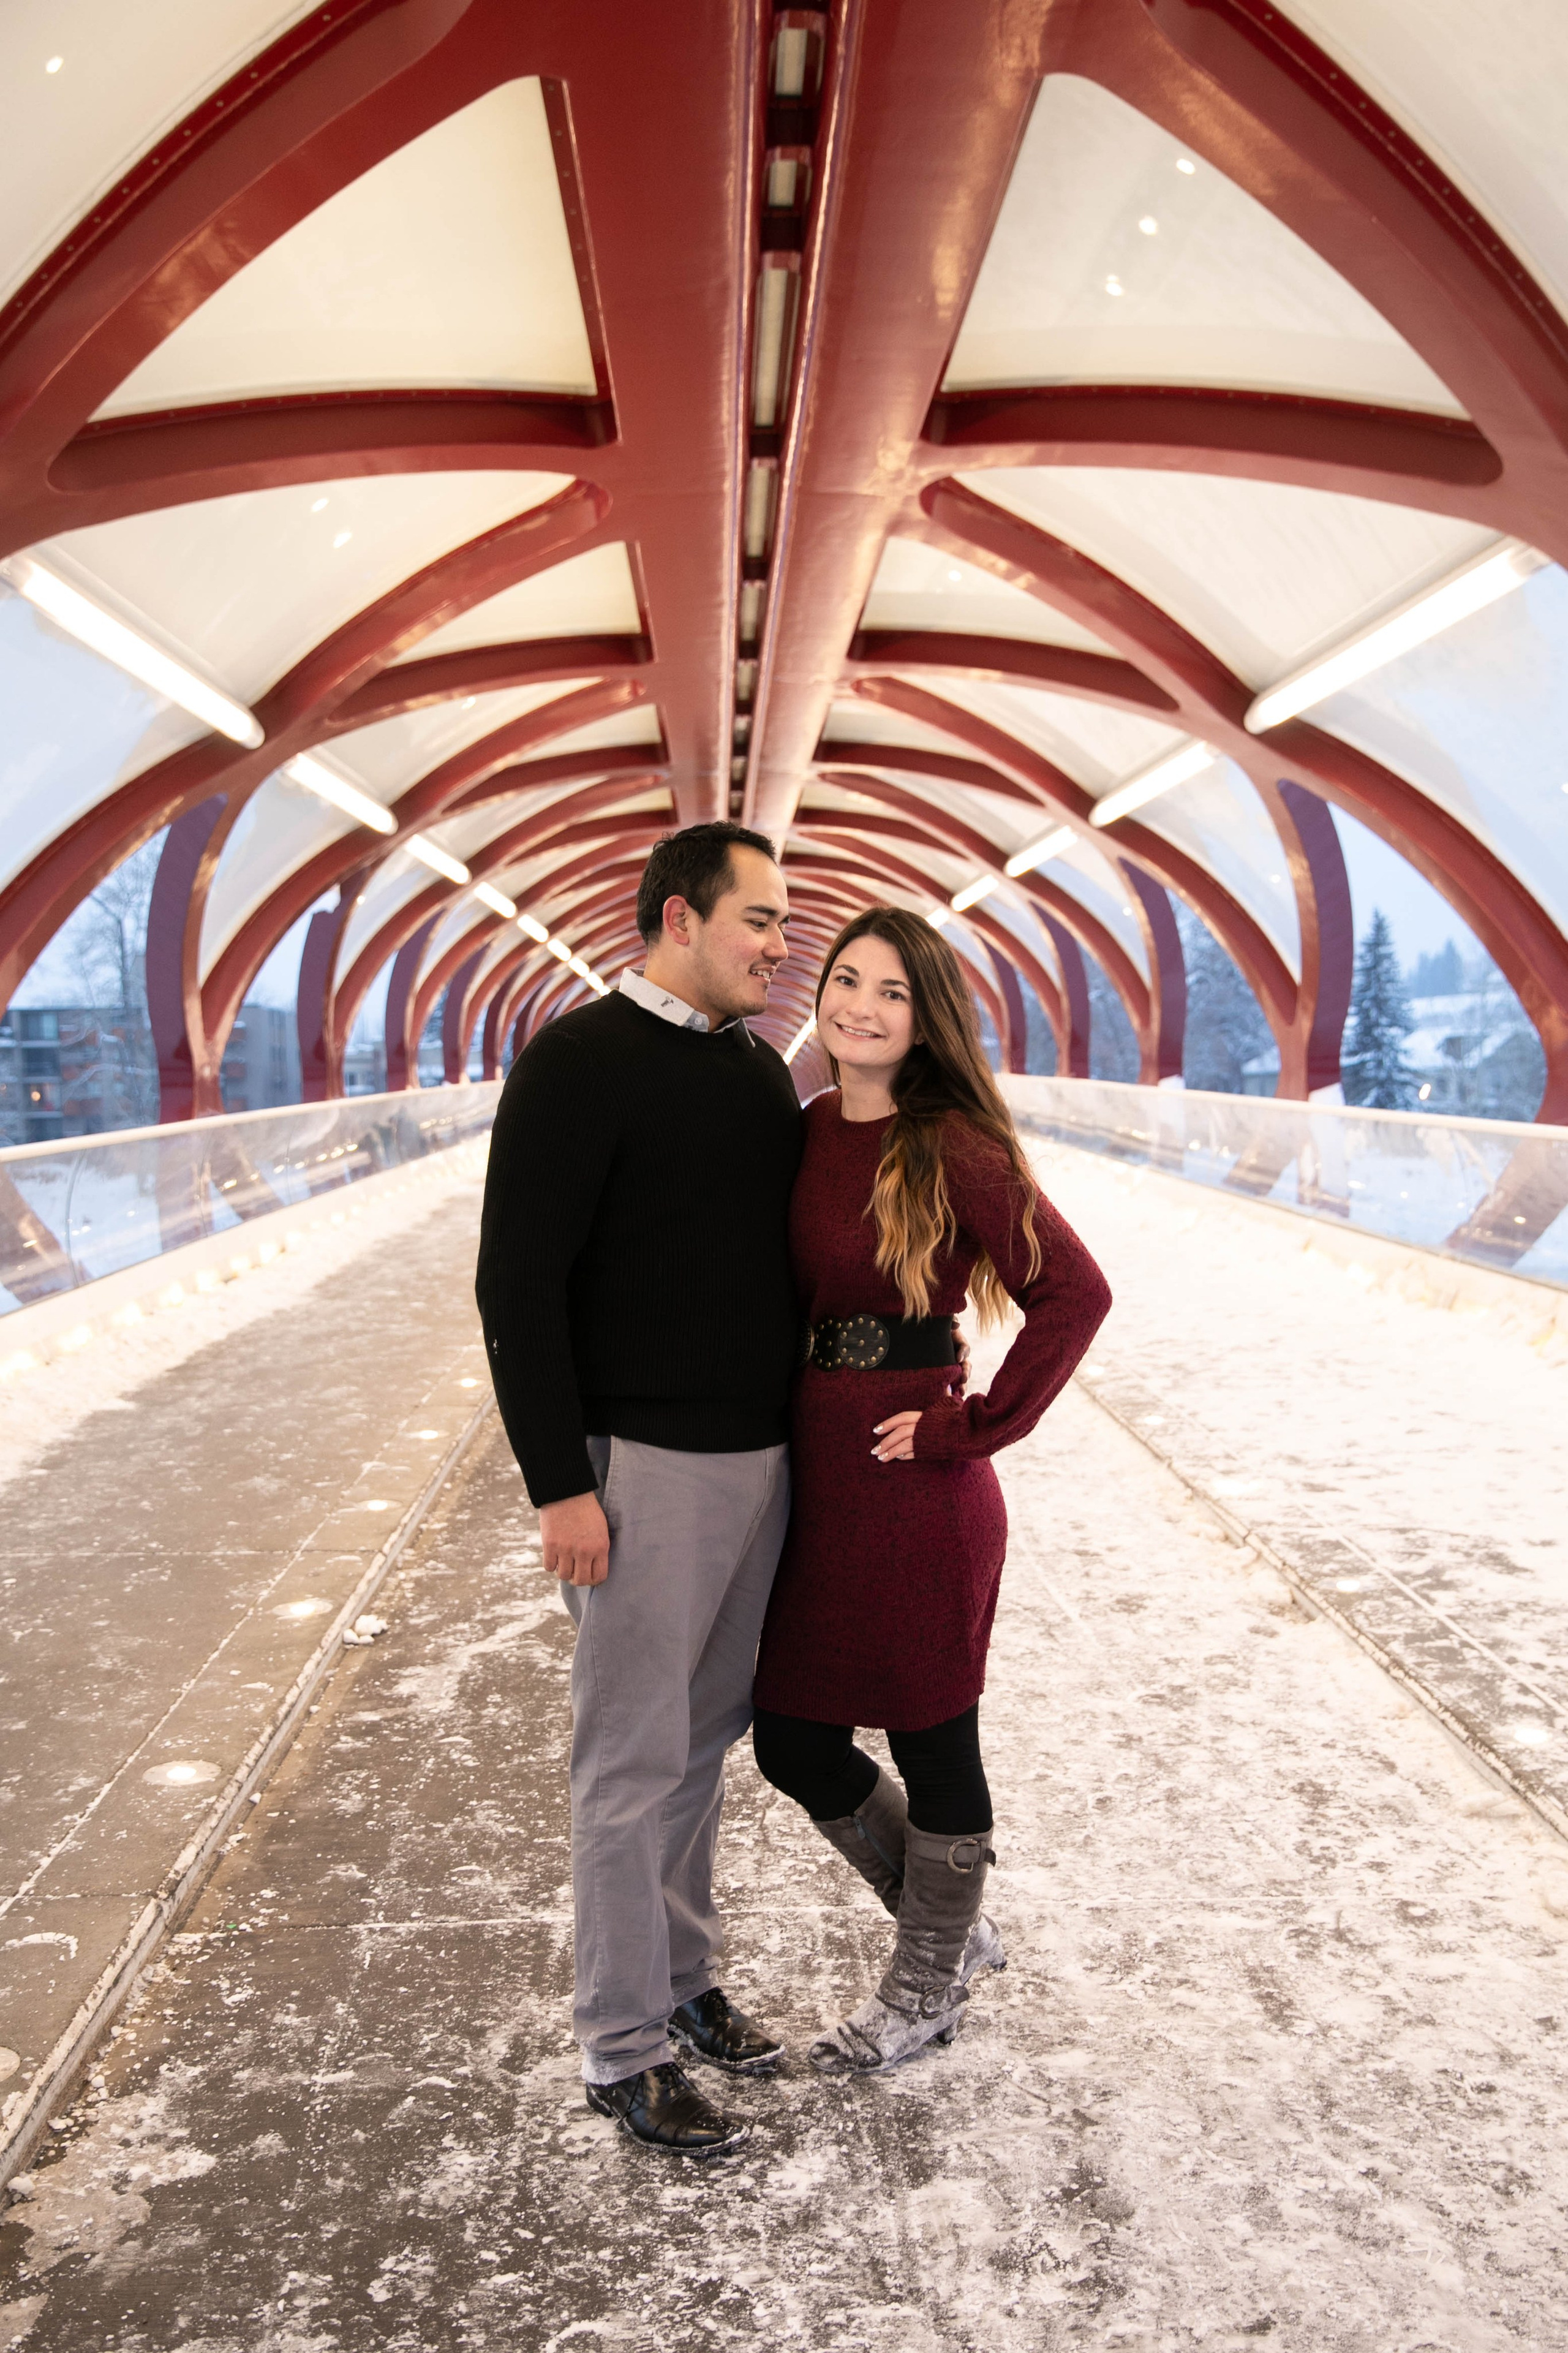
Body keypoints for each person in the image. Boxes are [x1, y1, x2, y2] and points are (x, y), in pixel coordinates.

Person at [475, 821, 802, 2158]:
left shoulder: (758, 1072)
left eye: (781, 920)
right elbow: (516, 1282)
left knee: (704, 1740)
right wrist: (560, 1482)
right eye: (759, 918)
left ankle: (682, 1979)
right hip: (643, 1468)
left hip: (758, 1462)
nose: (780, 943)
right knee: (627, 1758)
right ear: (679, 918)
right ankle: (621, 2044)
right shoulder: (576, 1062)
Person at [751, 905, 1111, 2072]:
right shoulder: (807, 1130)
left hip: (919, 1492)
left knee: (935, 1740)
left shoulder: (950, 1140)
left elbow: (1076, 1293)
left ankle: (925, 1985)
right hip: (819, 1480)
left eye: (893, 991)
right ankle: (947, 1930)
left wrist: (975, 1425)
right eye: (847, 980)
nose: (860, 1006)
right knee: (792, 1736)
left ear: (927, 1018)